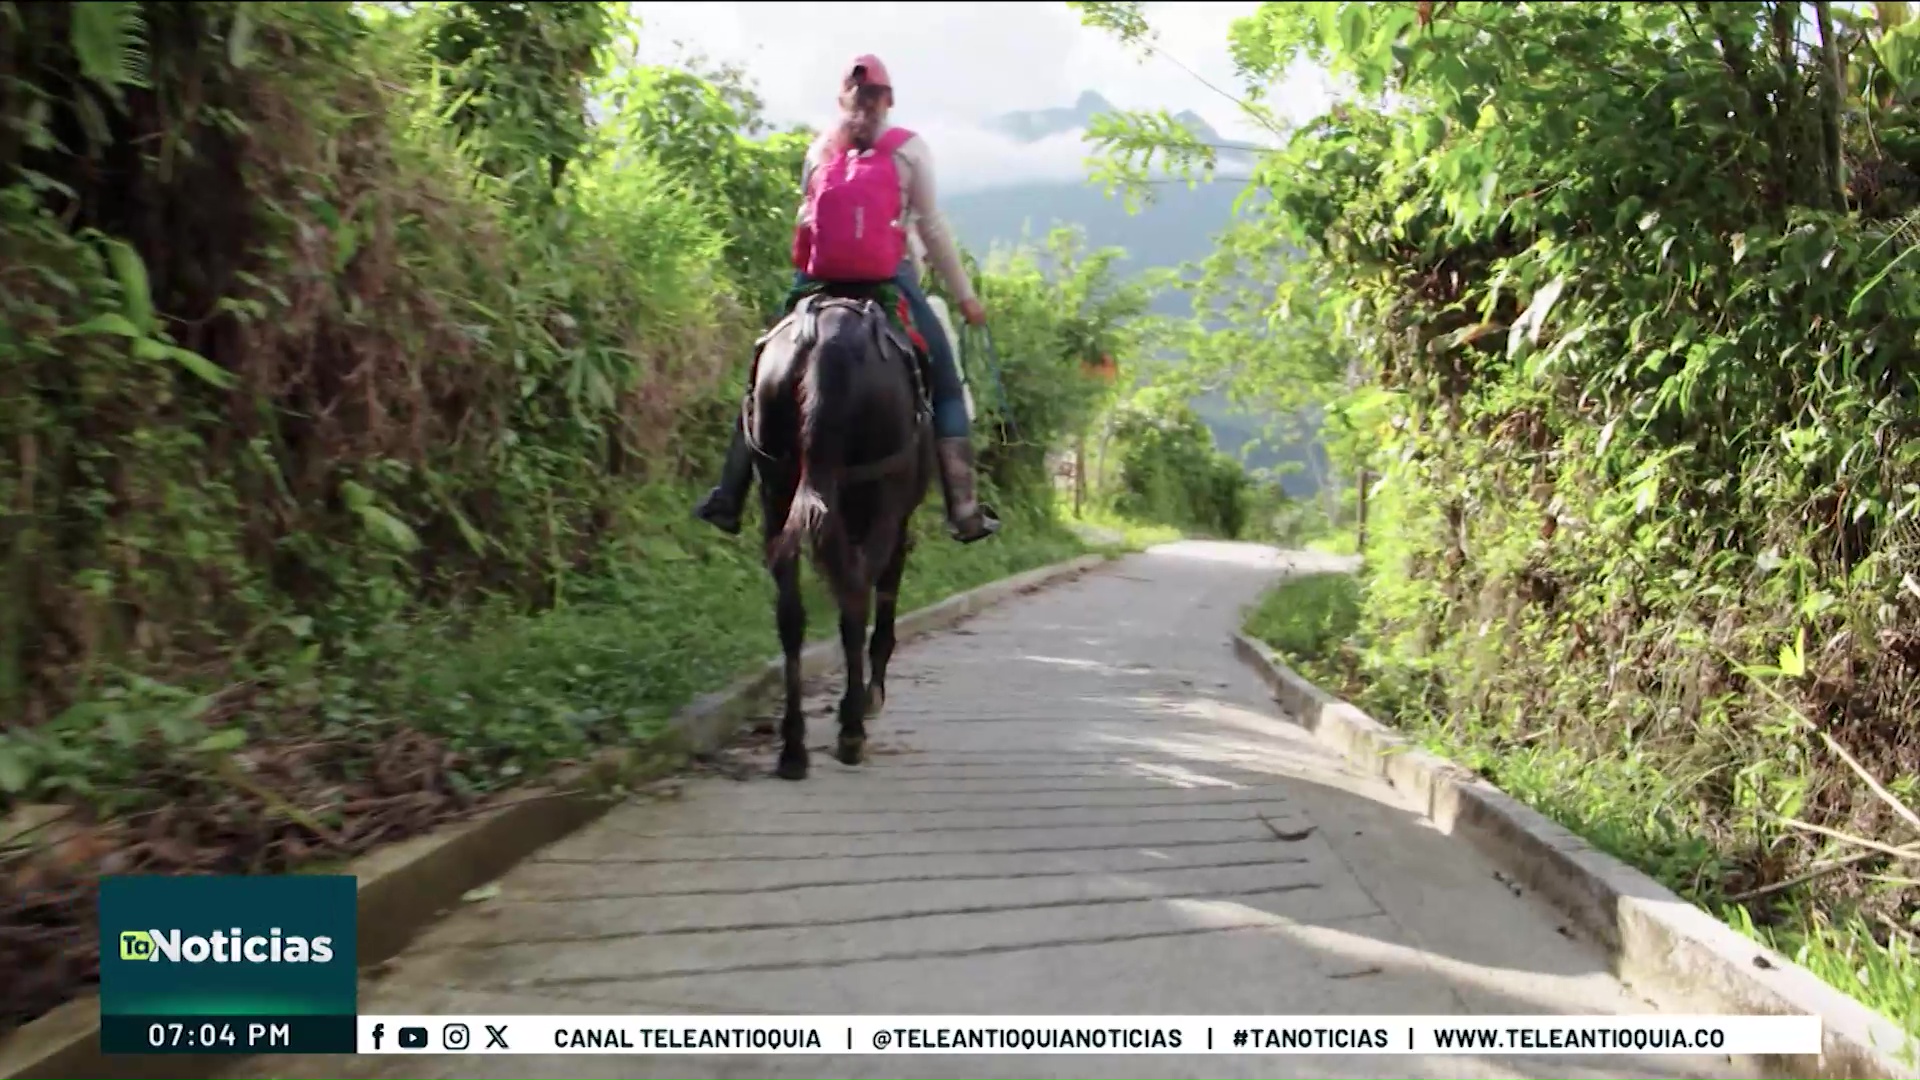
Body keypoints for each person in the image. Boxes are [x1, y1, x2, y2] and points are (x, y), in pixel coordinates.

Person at [692, 53, 1001, 544]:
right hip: (888, 281)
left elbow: (804, 223)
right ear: (889, 101)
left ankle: (729, 495)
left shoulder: (820, 150)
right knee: (943, 381)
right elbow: (933, 230)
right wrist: (965, 298)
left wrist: (804, 280)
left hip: (818, 282)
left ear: (843, 99)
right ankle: (963, 507)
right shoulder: (909, 150)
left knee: (761, 372)